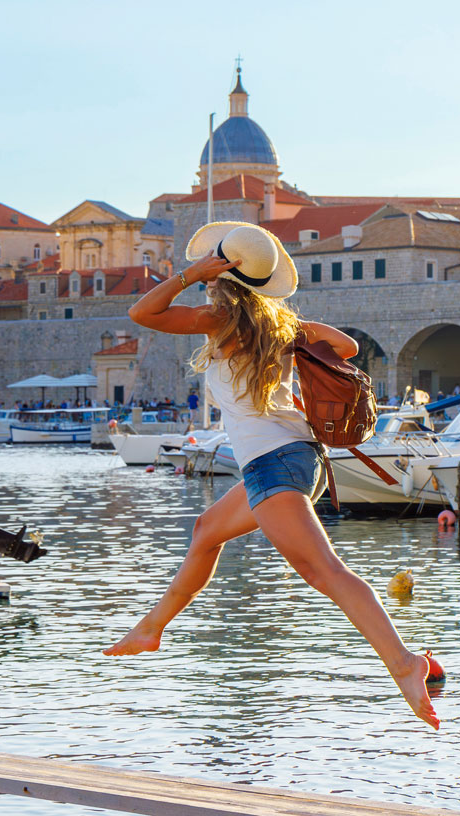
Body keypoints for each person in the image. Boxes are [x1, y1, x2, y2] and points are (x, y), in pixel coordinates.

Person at [103, 221, 439, 729]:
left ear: (219, 275)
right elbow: (346, 347)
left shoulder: (219, 320)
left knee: (325, 573)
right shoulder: (281, 326)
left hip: (273, 464)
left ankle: (404, 662)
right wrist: (295, 336)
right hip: (297, 459)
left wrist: (190, 275)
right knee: (206, 531)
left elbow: (141, 313)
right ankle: (152, 627)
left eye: (212, 271)